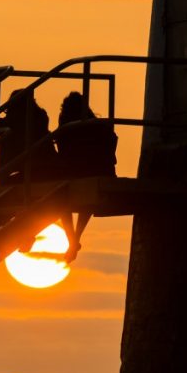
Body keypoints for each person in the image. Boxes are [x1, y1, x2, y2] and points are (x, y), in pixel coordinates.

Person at [52, 91, 118, 262]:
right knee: (86, 200)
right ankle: (75, 238)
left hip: (76, 172)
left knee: (62, 200)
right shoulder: (97, 124)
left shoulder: (66, 123)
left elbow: (63, 151)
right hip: (97, 170)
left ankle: (72, 240)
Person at [0, 89, 58, 184]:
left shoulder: (18, 118)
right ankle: (3, 180)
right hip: (49, 166)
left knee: (5, 137)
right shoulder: (40, 115)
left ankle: (3, 180)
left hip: (32, 168)